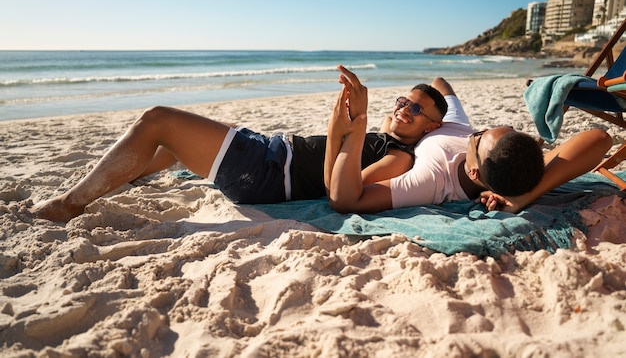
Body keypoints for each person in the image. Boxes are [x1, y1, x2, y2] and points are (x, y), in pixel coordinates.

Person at [31, 66, 449, 223]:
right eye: (403, 101)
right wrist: (344, 115)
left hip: (266, 175)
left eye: (416, 110)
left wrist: (352, 122)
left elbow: (337, 191)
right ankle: (128, 173)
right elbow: (440, 85)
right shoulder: (383, 135)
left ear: (431, 129)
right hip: (267, 149)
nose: (404, 110)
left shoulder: (396, 157)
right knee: (206, 130)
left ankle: (70, 203)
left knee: (158, 120)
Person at [325, 66, 614, 214]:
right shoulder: (463, 128)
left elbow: (346, 200)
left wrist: (518, 201)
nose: (475, 132)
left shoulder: (432, 181)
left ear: (475, 172)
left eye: (478, 138)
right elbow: (600, 138)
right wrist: (530, 192)